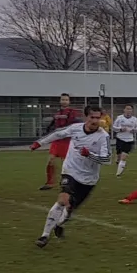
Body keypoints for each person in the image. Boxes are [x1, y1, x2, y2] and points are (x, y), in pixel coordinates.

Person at [29, 105, 111, 248]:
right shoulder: (75, 128)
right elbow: (58, 134)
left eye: (98, 118)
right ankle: (44, 235)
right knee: (63, 200)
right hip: (71, 171)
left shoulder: (103, 137)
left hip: (89, 178)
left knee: (69, 209)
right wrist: (39, 143)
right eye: (92, 117)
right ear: (86, 117)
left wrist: (90, 155)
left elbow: (107, 159)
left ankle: (58, 225)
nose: (95, 120)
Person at [39, 93, 81, 191]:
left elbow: (75, 122)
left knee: (66, 163)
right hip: (57, 140)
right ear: (60, 101)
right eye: (63, 99)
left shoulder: (72, 112)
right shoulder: (57, 112)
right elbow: (53, 124)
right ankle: (50, 183)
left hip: (67, 140)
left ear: (69, 101)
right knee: (51, 160)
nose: (64, 101)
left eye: (66, 100)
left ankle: (69, 182)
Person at [112, 104, 137, 177]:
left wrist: (133, 130)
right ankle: (118, 161)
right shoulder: (119, 118)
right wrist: (121, 129)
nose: (128, 110)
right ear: (124, 110)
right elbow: (114, 127)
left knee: (124, 157)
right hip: (120, 139)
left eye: (130, 109)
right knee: (119, 157)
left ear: (132, 111)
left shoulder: (134, 119)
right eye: (127, 109)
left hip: (129, 140)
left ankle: (118, 174)